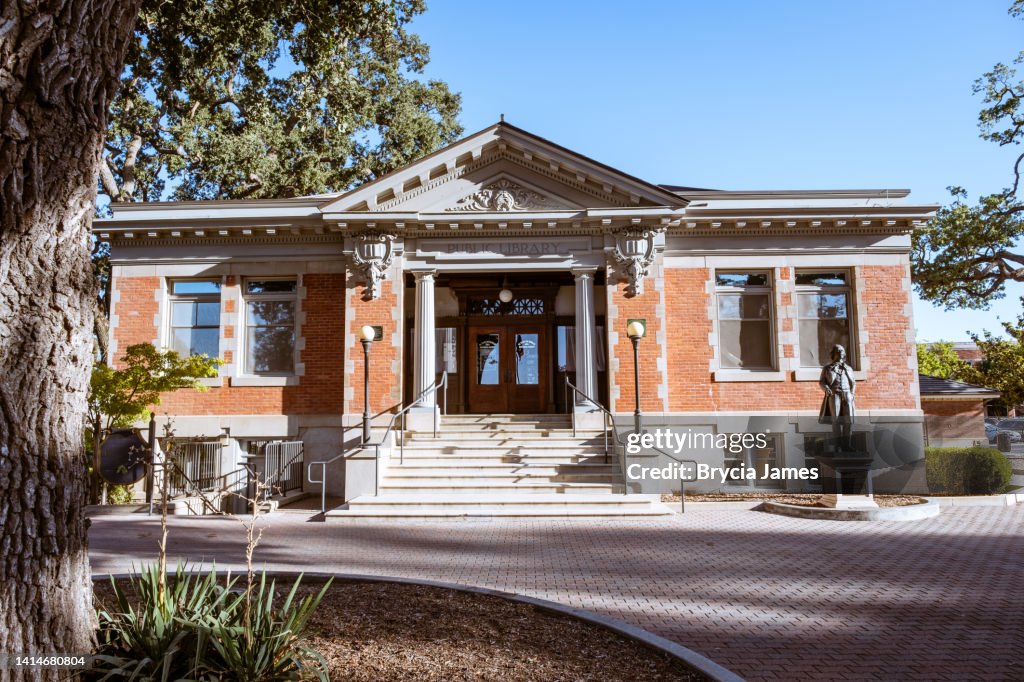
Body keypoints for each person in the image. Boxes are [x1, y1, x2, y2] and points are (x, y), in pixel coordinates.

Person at [819, 344, 856, 451]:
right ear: (834, 354)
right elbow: (822, 382)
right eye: (838, 351)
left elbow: (853, 382)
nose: (841, 352)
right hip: (834, 394)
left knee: (848, 421)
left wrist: (852, 394)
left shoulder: (848, 368)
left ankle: (847, 445)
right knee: (836, 421)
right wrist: (826, 388)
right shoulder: (827, 368)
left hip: (847, 394)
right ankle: (838, 445)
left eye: (842, 351)